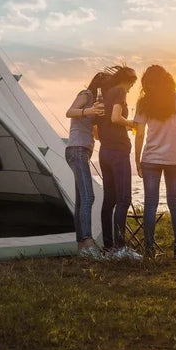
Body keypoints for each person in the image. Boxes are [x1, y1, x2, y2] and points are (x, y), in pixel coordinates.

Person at [134, 65, 176, 259]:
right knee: (175, 203)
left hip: (151, 158)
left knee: (150, 204)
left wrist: (137, 160)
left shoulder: (144, 103)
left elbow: (139, 135)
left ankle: (149, 250)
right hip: (175, 159)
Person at [97, 65, 141, 260]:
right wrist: (131, 124)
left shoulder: (106, 93)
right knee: (124, 199)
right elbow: (116, 117)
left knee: (109, 200)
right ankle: (121, 248)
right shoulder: (120, 91)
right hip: (117, 151)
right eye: (133, 84)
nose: (132, 88)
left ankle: (108, 247)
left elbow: (101, 125)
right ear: (129, 80)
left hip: (104, 151)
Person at [65, 72, 107, 259]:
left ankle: (82, 246)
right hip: (77, 150)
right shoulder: (86, 95)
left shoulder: (97, 104)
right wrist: (90, 110)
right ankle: (88, 242)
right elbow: (69, 112)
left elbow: (95, 134)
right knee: (89, 196)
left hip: (82, 150)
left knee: (82, 199)